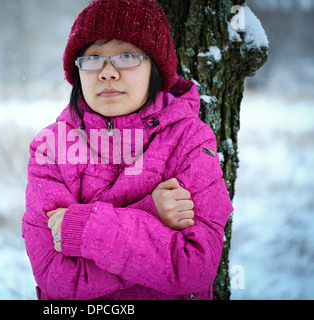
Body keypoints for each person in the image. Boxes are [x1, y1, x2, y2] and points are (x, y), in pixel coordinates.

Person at [22, 0, 233, 300]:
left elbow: (195, 267)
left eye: (126, 56)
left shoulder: (191, 141)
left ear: (155, 67)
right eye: (92, 58)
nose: (107, 72)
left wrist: (83, 228)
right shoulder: (52, 147)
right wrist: (150, 213)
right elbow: (57, 277)